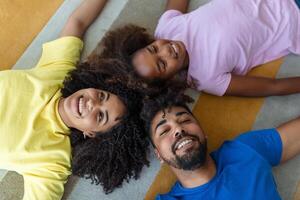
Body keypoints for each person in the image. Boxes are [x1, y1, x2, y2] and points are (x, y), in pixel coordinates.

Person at [0, 0, 149, 199]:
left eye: (100, 117)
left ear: (91, 133)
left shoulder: (53, 161)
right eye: (102, 96)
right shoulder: (60, 74)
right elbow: (77, 22)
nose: (92, 103)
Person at [94, 0, 300, 97]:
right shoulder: (206, 78)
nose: (166, 50)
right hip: (293, 23)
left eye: (153, 49)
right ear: (170, 79)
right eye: (163, 64)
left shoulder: (167, 28)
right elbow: (272, 87)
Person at [141, 91, 300, 199]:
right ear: (159, 155)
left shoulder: (243, 150)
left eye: (185, 120)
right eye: (164, 131)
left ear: (203, 133)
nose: (178, 129)